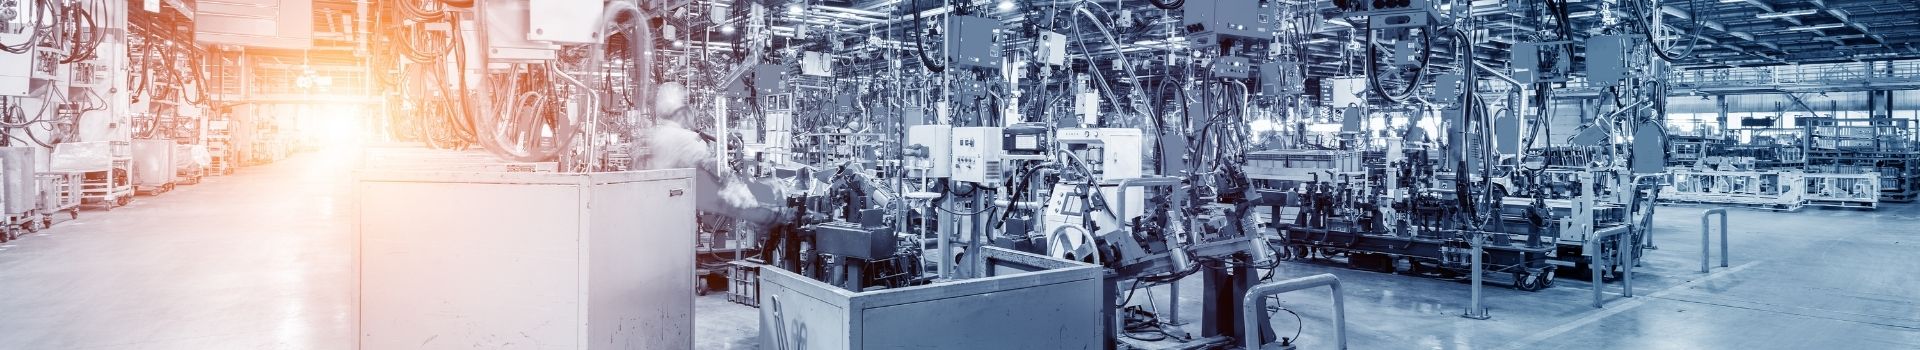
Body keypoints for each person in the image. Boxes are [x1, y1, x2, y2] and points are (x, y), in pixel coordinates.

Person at [635, 82, 789, 226]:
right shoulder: (685, 138)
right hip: (685, 202)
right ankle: (777, 216)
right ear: (681, 112)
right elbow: (712, 168)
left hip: (662, 210)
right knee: (736, 202)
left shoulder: (657, 135)